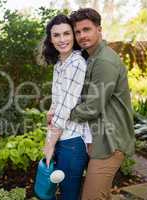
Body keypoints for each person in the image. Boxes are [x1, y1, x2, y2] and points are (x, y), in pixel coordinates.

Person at [68, 8, 136, 199]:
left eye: (86, 29)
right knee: (101, 194)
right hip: (100, 138)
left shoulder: (104, 61)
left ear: (99, 29)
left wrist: (63, 113)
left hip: (110, 142)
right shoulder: (91, 58)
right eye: (78, 32)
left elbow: (92, 108)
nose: (82, 36)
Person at [41, 14, 92, 200]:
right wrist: (51, 110)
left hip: (72, 141)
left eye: (66, 33)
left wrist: (49, 145)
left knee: (69, 194)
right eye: (56, 35)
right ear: (50, 38)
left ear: (73, 35)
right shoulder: (60, 63)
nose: (62, 40)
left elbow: (66, 107)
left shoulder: (76, 63)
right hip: (61, 137)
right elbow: (58, 99)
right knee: (63, 192)